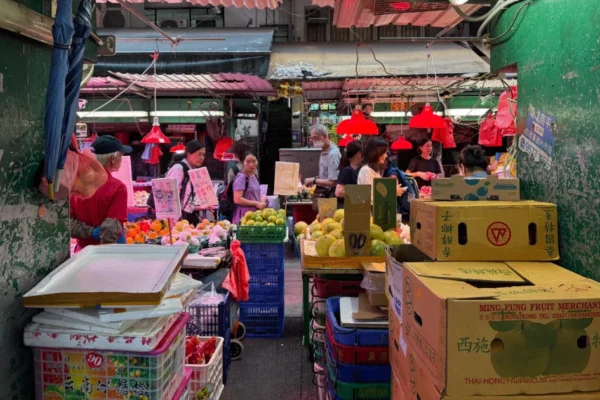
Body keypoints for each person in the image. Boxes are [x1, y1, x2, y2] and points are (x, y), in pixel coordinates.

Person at [70, 135, 131, 251]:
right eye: (121, 157)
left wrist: (90, 232)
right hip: (105, 253)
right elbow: (111, 229)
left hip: (82, 252)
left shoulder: (76, 184)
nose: (121, 161)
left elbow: (67, 223)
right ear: (113, 159)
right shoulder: (118, 187)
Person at [165, 140, 206, 225]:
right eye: (199, 154)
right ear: (188, 154)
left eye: (203, 155)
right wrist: (173, 221)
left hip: (185, 214)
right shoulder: (178, 169)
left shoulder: (192, 170)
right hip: (175, 218)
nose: (202, 158)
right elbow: (169, 194)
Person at [304, 124, 341, 196]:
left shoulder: (333, 154)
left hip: (330, 194)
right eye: (312, 138)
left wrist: (313, 180)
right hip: (324, 192)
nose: (313, 141)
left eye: (315, 138)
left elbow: (333, 182)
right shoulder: (324, 151)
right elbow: (325, 175)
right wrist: (313, 179)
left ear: (325, 136)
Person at [232, 151, 267, 224]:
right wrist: (256, 203)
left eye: (254, 161)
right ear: (242, 162)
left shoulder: (254, 176)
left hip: (255, 217)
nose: (251, 164)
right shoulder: (241, 177)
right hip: (245, 218)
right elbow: (237, 199)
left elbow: (255, 194)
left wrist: (262, 200)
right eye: (248, 161)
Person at [384, 153, 414, 220]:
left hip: (396, 207)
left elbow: (394, 179)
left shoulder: (392, 172)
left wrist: (394, 189)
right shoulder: (388, 170)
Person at [335, 140, 363, 208]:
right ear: (358, 154)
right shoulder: (347, 171)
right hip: (346, 210)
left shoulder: (355, 170)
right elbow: (339, 192)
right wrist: (360, 193)